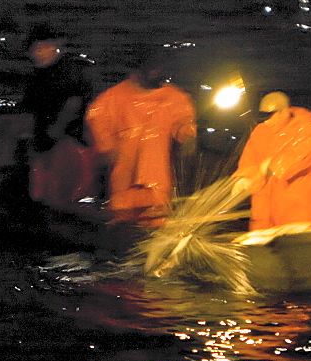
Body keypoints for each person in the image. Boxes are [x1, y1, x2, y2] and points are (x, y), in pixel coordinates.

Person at [84, 47, 197, 227]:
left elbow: (183, 126)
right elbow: (98, 128)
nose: (157, 72)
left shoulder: (174, 98)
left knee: (155, 228)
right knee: (124, 229)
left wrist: (187, 138)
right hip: (123, 185)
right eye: (152, 68)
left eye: (159, 67)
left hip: (157, 186)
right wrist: (108, 151)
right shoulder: (111, 99)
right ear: (137, 70)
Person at [18, 24, 98, 212]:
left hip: (69, 144)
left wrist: (54, 132)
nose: (39, 54)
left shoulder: (67, 73)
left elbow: (74, 105)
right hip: (48, 144)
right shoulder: (38, 77)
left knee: (64, 193)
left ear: (56, 47)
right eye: (35, 49)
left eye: (43, 48)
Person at [234, 91, 311, 230]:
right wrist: (243, 178)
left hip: (298, 217)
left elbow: (297, 159)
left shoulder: (308, 129)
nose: (267, 120)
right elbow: (248, 161)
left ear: (285, 111)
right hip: (264, 217)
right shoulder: (261, 131)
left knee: (297, 249)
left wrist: (270, 166)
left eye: (271, 114)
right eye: (263, 115)